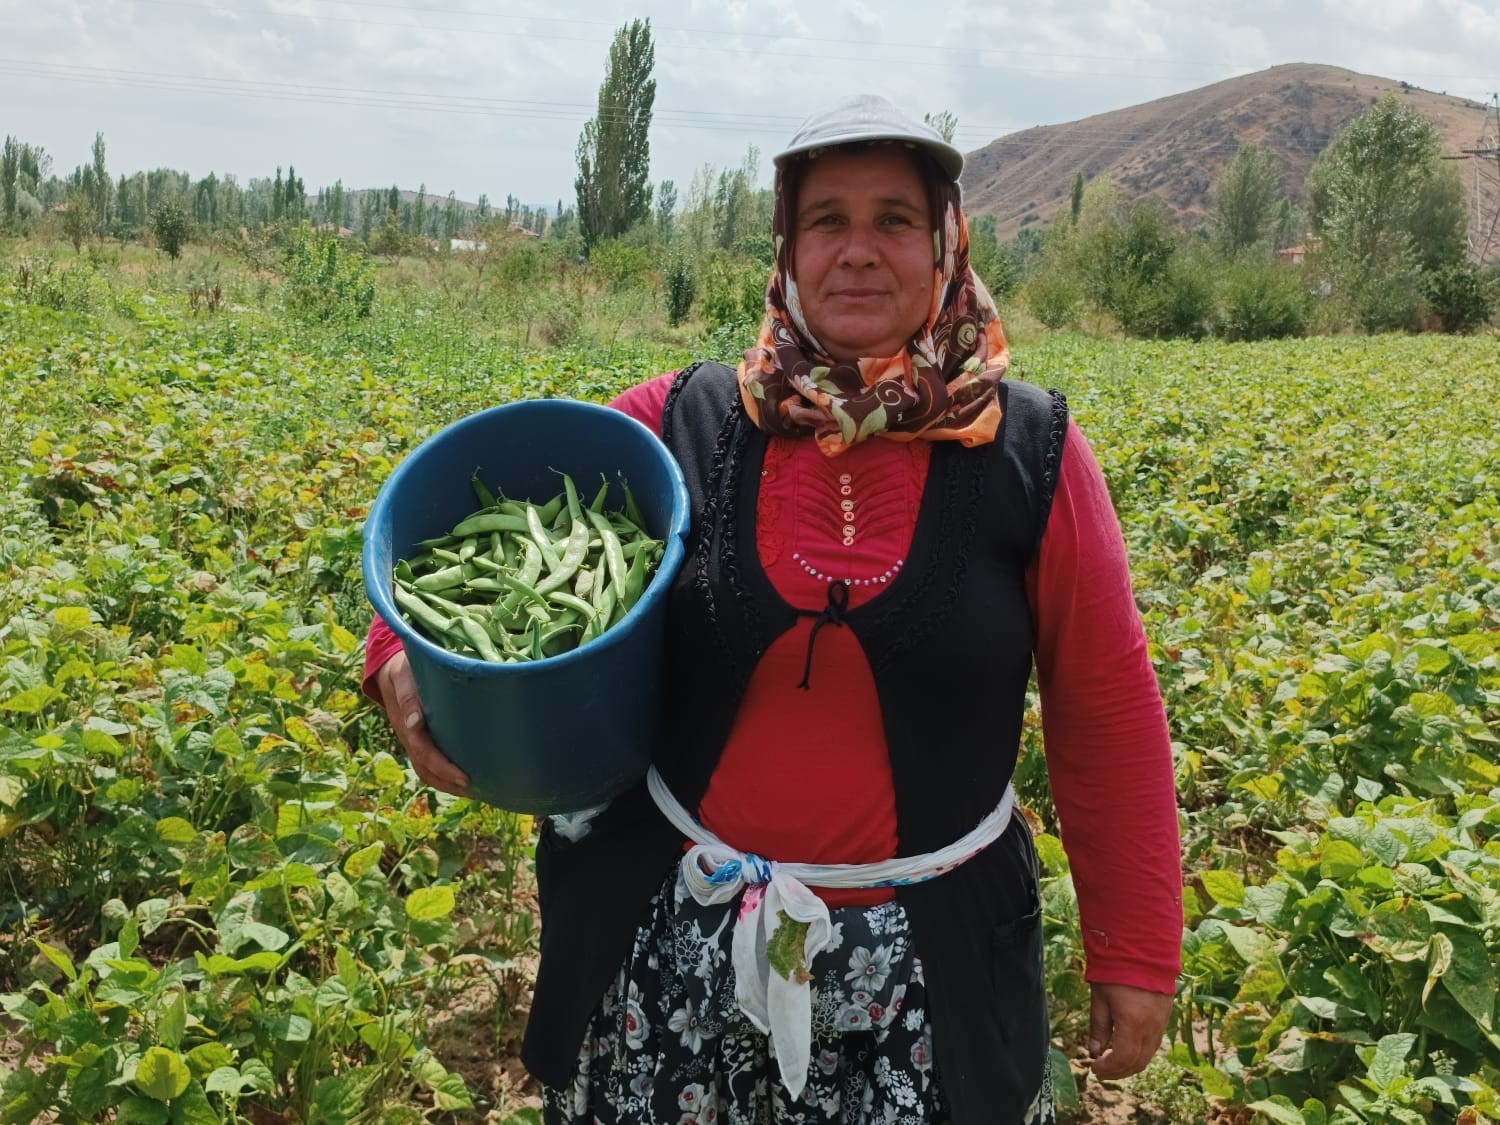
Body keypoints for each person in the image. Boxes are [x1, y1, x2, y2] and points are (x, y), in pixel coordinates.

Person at [364, 93, 1181, 1124]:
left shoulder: (1030, 455)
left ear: (945, 247)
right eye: (826, 219)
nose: (857, 250)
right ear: (789, 249)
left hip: (926, 973)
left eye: (894, 219)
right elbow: (449, 534)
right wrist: (396, 647)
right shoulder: (685, 420)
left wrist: (1137, 948)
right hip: (677, 948)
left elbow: (1106, 707)